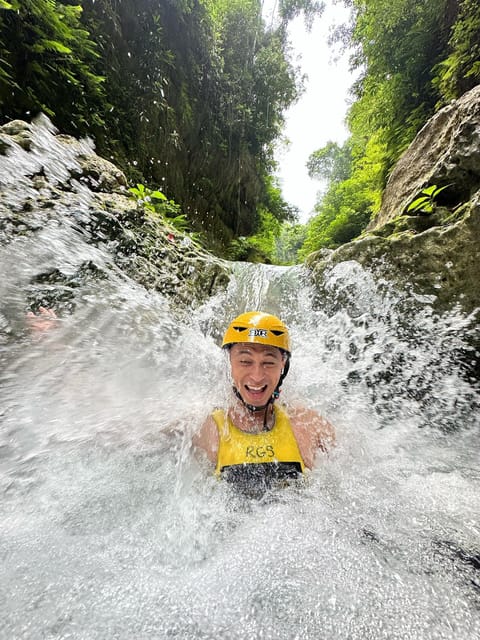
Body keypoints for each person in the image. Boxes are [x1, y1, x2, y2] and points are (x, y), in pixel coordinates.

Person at [193, 311, 335, 491]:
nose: (257, 376)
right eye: (245, 361)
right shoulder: (205, 428)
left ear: (283, 364)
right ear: (229, 363)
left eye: (268, 363)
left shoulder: (309, 425)